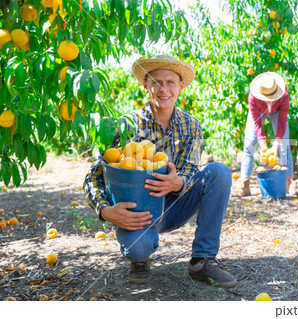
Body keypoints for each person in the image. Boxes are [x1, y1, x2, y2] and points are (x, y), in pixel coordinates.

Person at [83, 55, 236, 288]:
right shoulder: (126, 125)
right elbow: (94, 175)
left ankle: (202, 261)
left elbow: (189, 170)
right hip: (138, 213)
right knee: (137, 247)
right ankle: (140, 258)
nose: (164, 89)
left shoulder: (191, 126)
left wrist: (178, 183)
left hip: (175, 206)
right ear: (146, 85)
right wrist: (105, 211)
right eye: (157, 82)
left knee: (219, 172)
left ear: (181, 86)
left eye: (171, 82)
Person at [234, 72, 295, 196]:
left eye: (272, 97)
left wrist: (275, 146)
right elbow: (257, 124)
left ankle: (289, 181)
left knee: (284, 145)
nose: (270, 101)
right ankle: (244, 182)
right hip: (259, 112)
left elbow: (282, 122)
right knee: (250, 142)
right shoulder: (253, 98)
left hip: (277, 112)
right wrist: (264, 147)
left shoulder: (284, 96)